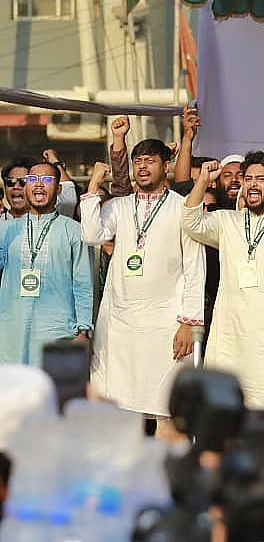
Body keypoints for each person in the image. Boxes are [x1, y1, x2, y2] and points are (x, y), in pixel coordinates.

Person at [182, 153, 264, 451]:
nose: (253, 185)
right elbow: (190, 220)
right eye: (248, 179)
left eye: (261, 179)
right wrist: (203, 180)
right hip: (231, 336)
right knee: (227, 408)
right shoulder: (226, 221)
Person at [80, 140, 206, 425]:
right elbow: (91, 235)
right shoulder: (120, 206)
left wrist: (189, 322)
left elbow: (195, 267)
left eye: (150, 160)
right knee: (118, 404)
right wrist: (94, 184)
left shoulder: (182, 206)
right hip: (120, 323)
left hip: (166, 322)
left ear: (166, 166)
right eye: (137, 161)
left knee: (165, 407)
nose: (142, 167)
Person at [0, 161, 93, 366]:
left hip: (57, 331)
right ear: (26, 187)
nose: (39, 184)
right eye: (33, 179)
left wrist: (83, 329)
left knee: (51, 386)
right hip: (10, 331)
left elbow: (83, 282)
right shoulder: (6, 229)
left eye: (47, 179)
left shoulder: (74, 231)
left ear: (58, 189)